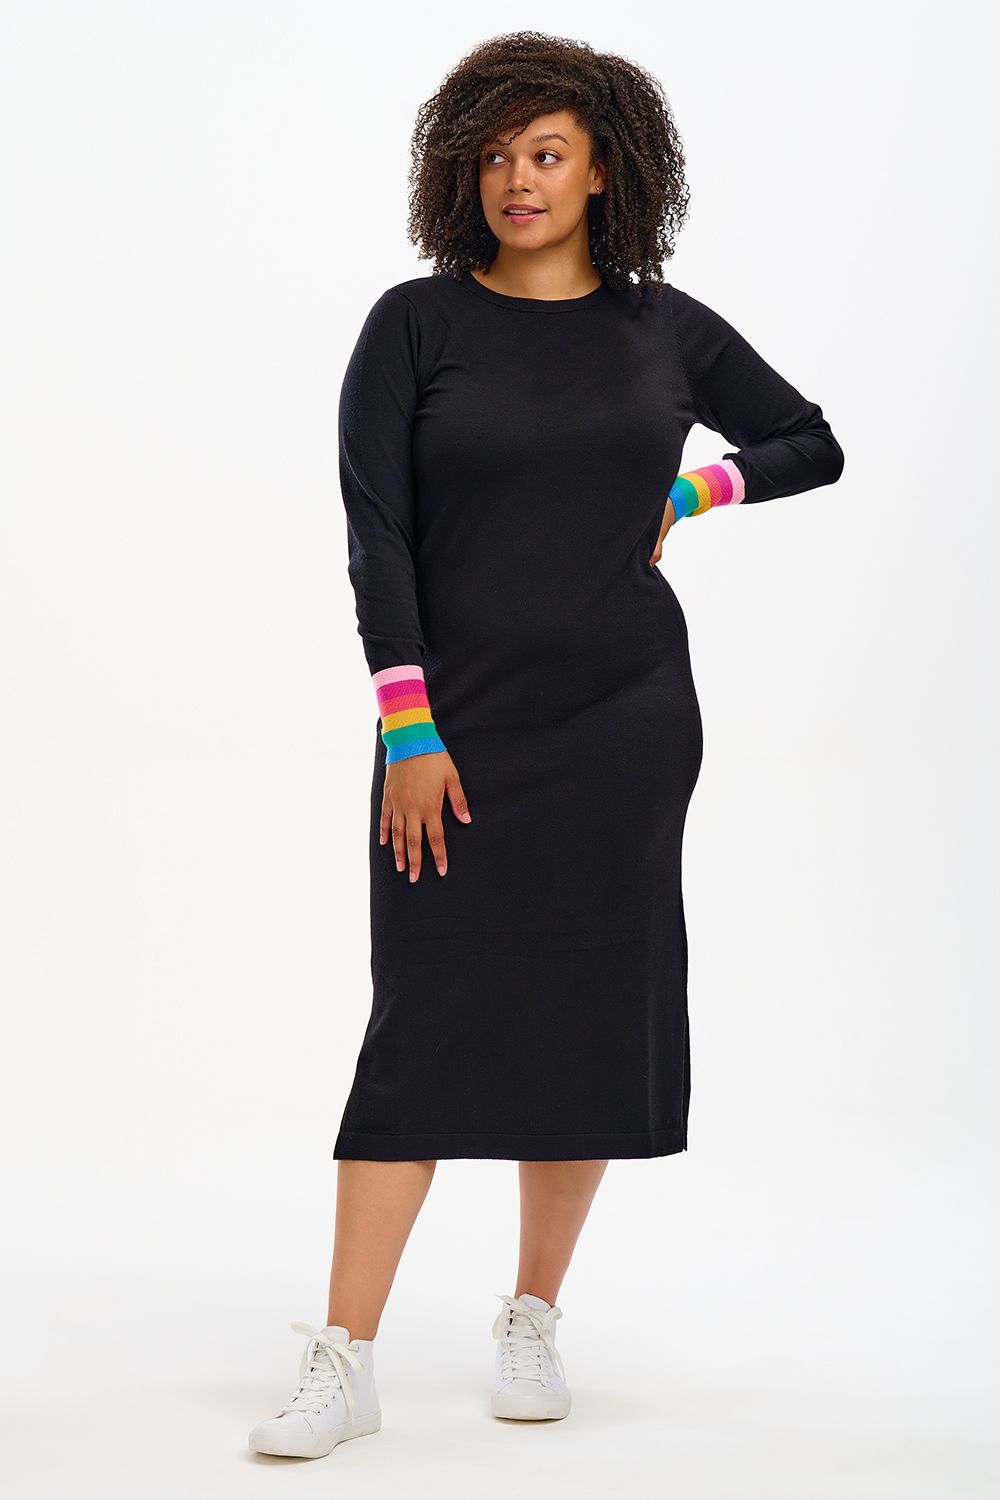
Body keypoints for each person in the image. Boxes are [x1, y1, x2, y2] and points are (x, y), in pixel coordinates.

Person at [248, 29, 845, 1459]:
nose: (518, 179)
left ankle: (531, 1316)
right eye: (496, 155)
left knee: (587, 1011)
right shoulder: (416, 323)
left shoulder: (662, 329)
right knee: (421, 1019)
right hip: (452, 727)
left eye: (548, 153)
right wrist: (408, 723)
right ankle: (347, 1355)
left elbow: (810, 440)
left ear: (603, 173)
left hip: (624, 723)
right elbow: (378, 535)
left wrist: (691, 493)